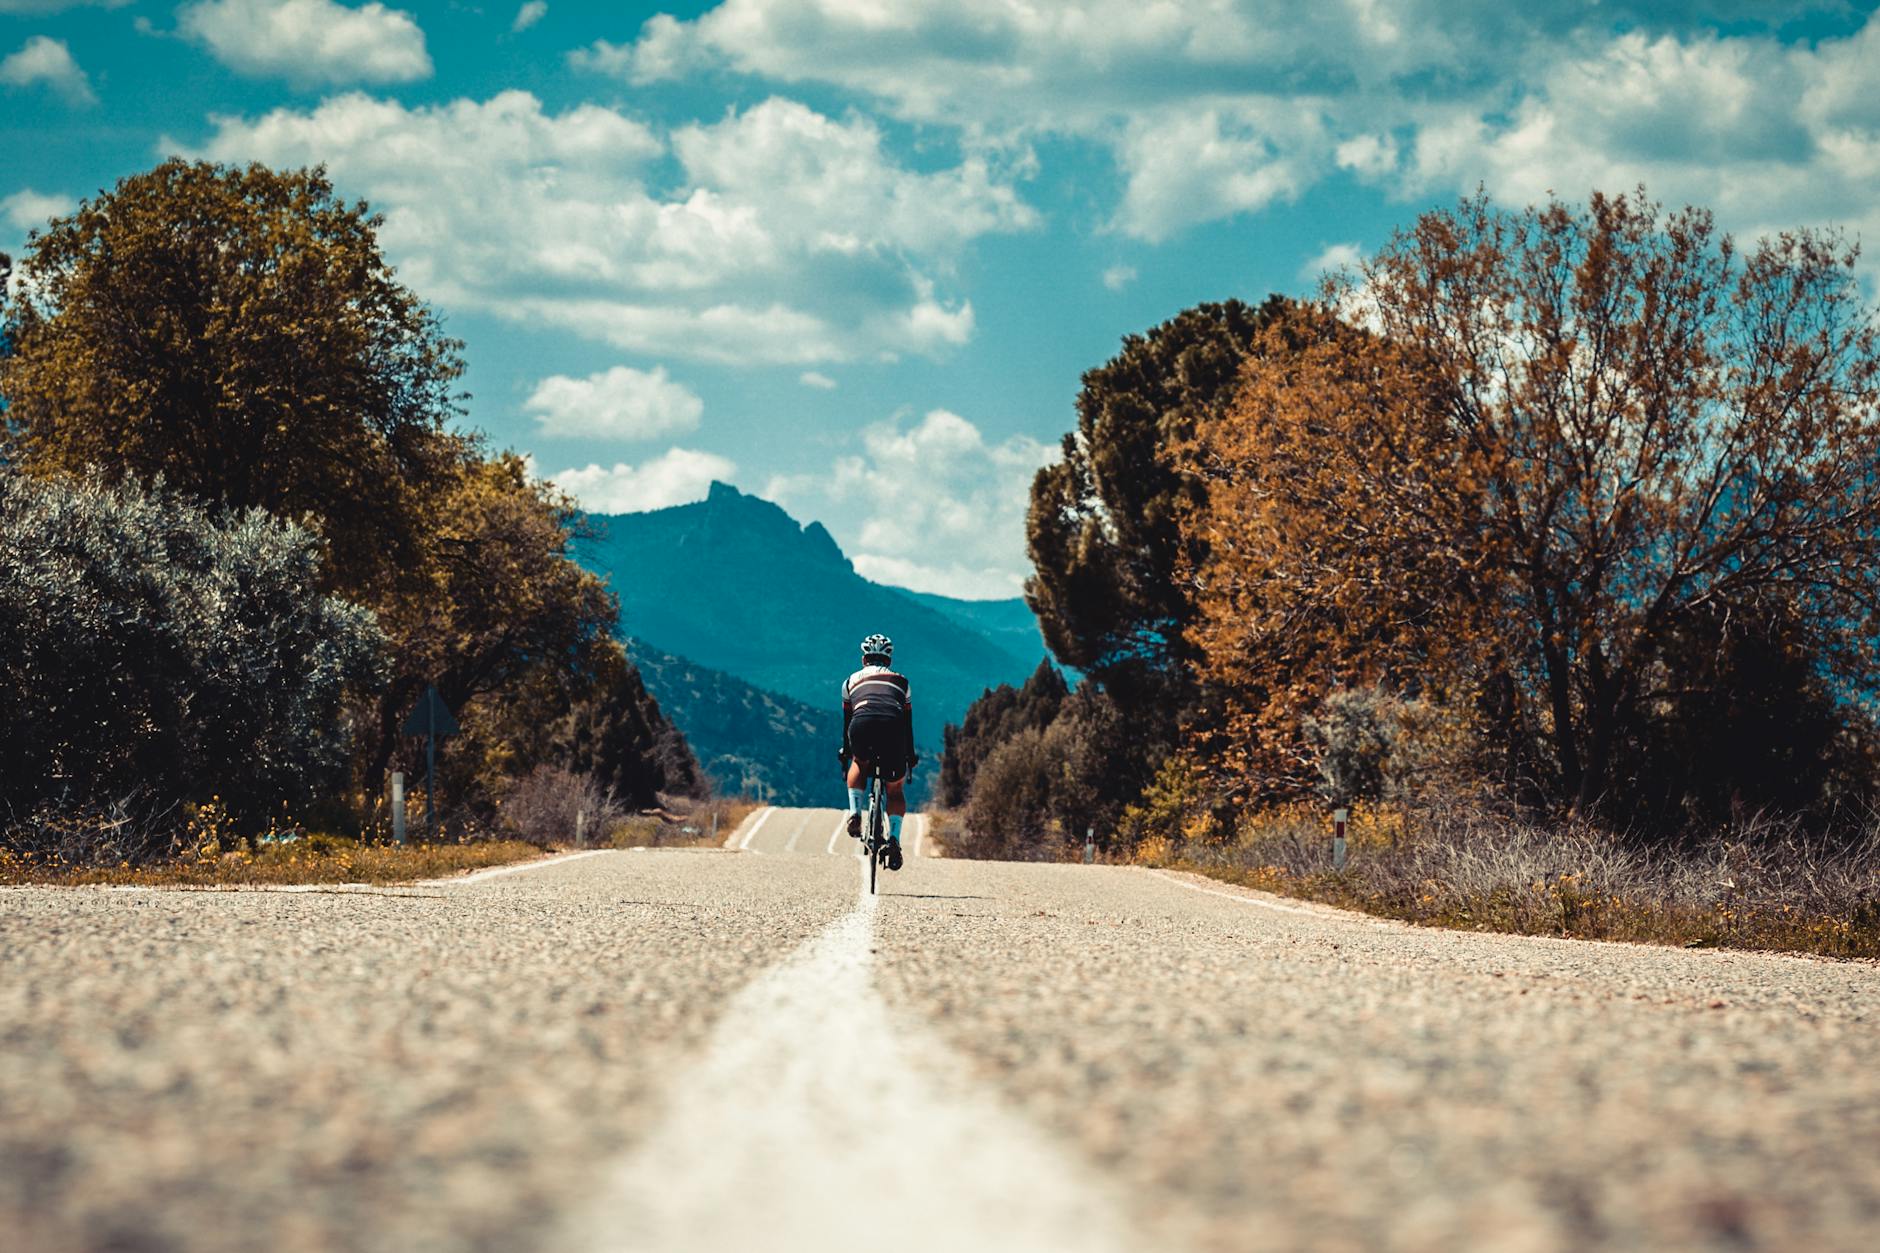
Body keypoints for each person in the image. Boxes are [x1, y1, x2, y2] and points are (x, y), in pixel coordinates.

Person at [839, 632, 917, 870]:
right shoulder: (902, 682)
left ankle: (855, 813)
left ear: (864, 659)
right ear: (889, 661)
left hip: (861, 726)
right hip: (893, 729)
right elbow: (907, 724)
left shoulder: (849, 681)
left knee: (859, 762)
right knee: (895, 789)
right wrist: (909, 755)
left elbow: (847, 722)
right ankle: (894, 839)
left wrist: (847, 752)